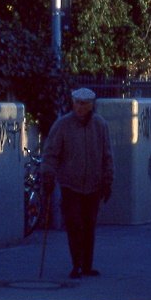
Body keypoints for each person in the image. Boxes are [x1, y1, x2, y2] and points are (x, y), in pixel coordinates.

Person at [42, 88, 113, 279]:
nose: (80, 107)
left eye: (84, 104)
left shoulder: (100, 125)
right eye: (77, 103)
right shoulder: (63, 125)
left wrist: (108, 179)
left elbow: (107, 154)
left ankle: (87, 265)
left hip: (94, 183)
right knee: (75, 224)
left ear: (91, 105)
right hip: (70, 184)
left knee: (89, 225)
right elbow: (51, 153)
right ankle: (77, 265)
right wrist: (48, 175)